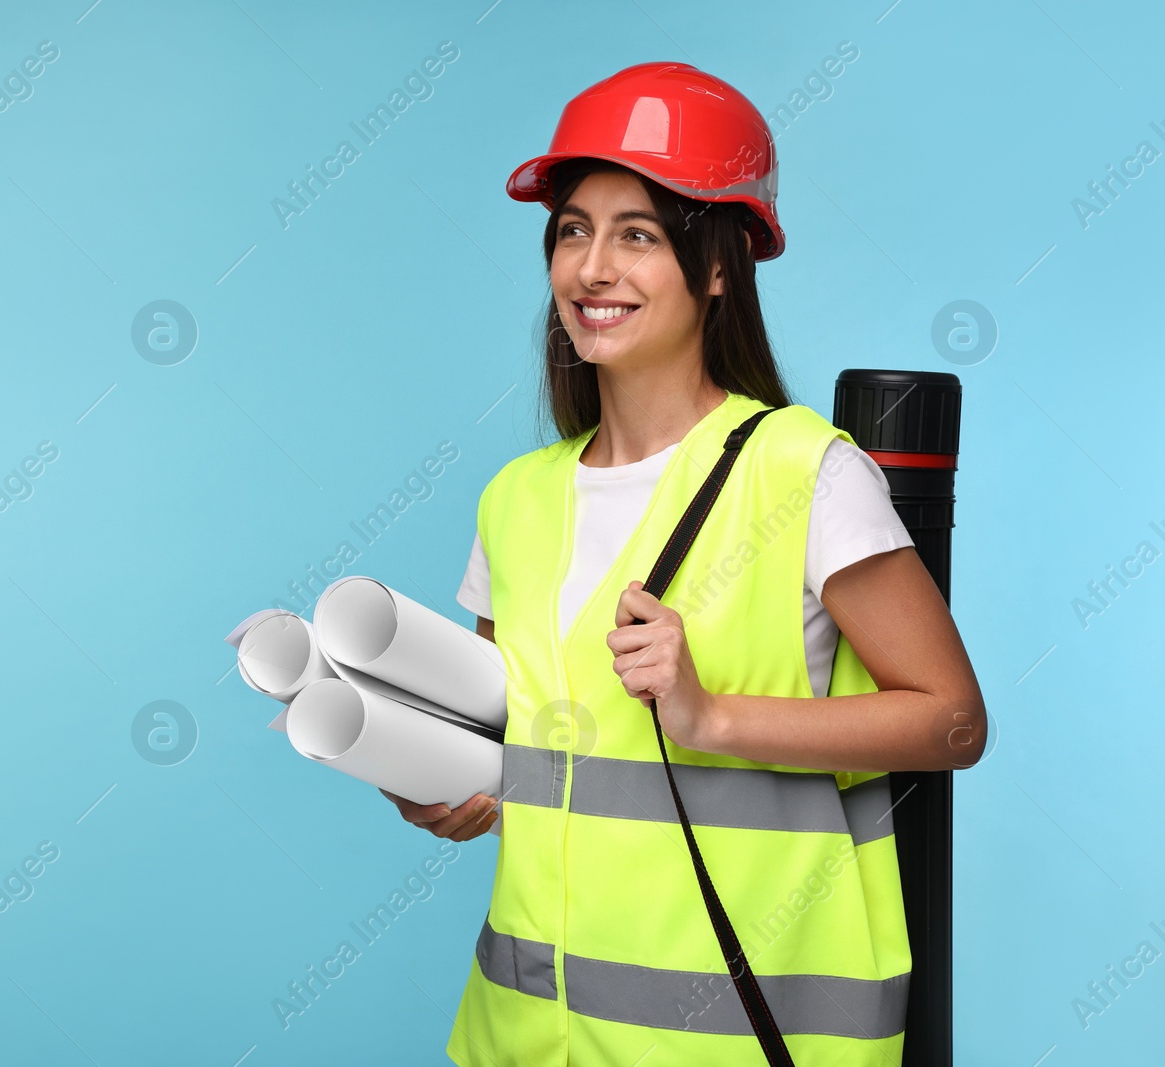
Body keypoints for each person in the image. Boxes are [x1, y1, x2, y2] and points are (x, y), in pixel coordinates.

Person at [380, 62, 987, 1066]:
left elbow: (953, 719)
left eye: (637, 234)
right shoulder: (515, 498)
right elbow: (521, 758)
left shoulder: (802, 473)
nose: (591, 267)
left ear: (716, 267)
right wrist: (441, 785)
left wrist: (710, 717)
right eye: (572, 229)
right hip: (527, 1034)